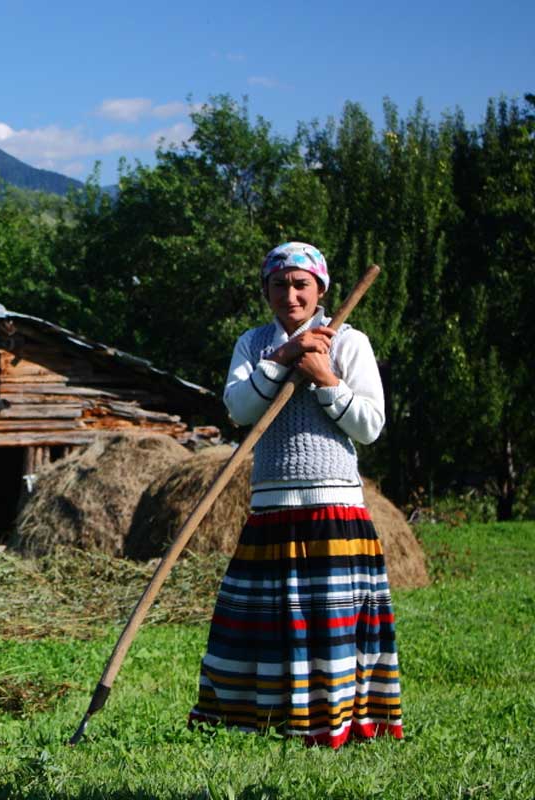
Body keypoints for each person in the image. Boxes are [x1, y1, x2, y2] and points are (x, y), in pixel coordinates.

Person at [188, 242, 403, 748]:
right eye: (279, 285)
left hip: (335, 508)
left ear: (320, 290)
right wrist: (283, 357)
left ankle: (337, 721)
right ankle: (263, 718)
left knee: (331, 626)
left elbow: (370, 426)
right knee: (268, 623)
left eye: (301, 284)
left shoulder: (348, 342)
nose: (291, 295)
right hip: (271, 508)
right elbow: (240, 410)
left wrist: (325, 379)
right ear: (266, 291)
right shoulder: (253, 344)